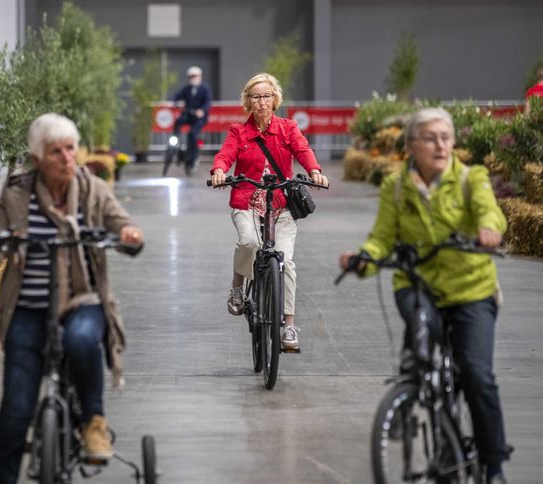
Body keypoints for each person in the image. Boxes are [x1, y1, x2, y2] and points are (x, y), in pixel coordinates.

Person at [338, 107, 510, 484]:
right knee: (420, 327)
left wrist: (488, 229)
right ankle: (411, 386)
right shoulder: (395, 186)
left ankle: (493, 464)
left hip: (471, 289)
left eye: (446, 137)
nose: (441, 145)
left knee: (477, 375)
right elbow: (383, 237)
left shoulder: (471, 178)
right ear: (411, 145)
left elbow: (491, 211)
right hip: (417, 282)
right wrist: (364, 259)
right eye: (430, 138)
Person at [0, 113, 144, 484]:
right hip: (27, 309)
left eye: (71, 148)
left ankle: (93, 422)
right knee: (17, 407)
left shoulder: (93, 188)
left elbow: (120, 222)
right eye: (56, 152)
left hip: (84, 301)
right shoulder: (18, 192)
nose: (68, 158)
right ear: (37, 159)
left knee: (81, 339)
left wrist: (128, 232)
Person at [210, 73, 328, 351]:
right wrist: (218, 171)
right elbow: (225, 155)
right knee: (249, 241)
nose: (261, 102)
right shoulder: (238, 132)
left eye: (266, 96)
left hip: (281, 205)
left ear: (275, 100)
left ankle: (288, 325)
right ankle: (238, 286)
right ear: (247, 102)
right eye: (255, 97)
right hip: (247, 201)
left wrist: (315, 171)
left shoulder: (287, 128)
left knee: (285, 261)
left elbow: (303, 150)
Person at [171, 65, 213, 173]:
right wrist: (175, 102)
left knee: (193, 134)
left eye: (195, 76)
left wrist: (202, 110)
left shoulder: (205, 89)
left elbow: (207, 102)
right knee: (178, 121)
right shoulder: (187, 89)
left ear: (200, 76)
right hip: (188, 114)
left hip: (199, 118)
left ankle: (193, 158)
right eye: (190, 76)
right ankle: (176, 145)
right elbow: (176, 96)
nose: (192, 78)